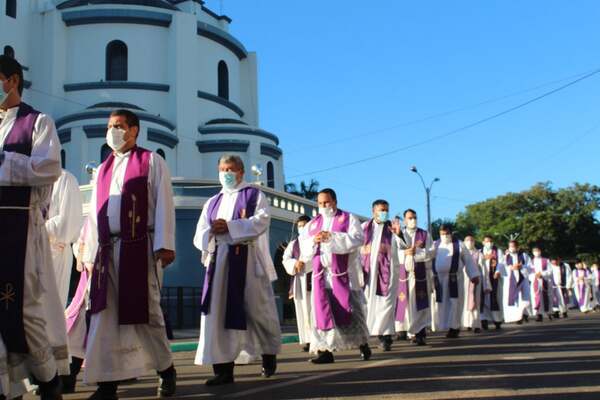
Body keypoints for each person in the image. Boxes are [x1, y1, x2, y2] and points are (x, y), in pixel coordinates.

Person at [80, 109, 177, 399]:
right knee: (103, 315)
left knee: (147, 313)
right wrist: (90, 251)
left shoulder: (151, 161)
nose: (113, 131)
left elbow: (163, 203)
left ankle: (166, 369)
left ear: (134, 130)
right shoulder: (102, 169)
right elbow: (95, 213)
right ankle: (107, 384)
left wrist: (165, 243)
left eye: (119, 126)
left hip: (138, 246)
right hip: (107, 249)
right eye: (110, 126)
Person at [0, 55, 68, 400]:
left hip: (18, 224)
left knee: (22, 306)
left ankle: (47, 378)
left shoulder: (37, 122)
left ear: (11, 80)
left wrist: (4, 161)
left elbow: (49, 167)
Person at [194, 154, 281, 385]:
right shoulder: (212, 201)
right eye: (222, 169)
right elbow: (199, 232)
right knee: (216, 313)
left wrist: (230, 226)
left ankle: (268, 353)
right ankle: (222, 370)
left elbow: (262, 221)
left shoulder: (254, 195)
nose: (226, 174)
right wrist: (212, 231)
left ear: (241, 172)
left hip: (247, 259)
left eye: (230, 169)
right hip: (218, 261)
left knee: (257, 310)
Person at [298, 188, 371, 363]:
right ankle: (325, 351)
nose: (323, 206)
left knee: (352, 311)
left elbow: (357, 239)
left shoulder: (347, 218)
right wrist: (313, 241)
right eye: (320, 203)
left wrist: (332, 237)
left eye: (327, 202)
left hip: (343, 274)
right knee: (322, 313)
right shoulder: (313, 223)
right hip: (321, 276)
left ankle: (363, 344)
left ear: (335, 202)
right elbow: (303, 246)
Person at [360, 200, 402, 351]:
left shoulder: (393, 228)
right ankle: (364, 337)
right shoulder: (364, 227)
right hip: (367, 273)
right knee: (368, 305)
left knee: (386, 305)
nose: (384, 213)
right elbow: (356, 247)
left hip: (388, 272)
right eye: (381, 210)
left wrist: (400, 234)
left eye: (386, 210)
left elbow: (406, 245)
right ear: (373, 212)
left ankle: (385, 337)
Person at [431, 226, 480, 338]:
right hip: (439, 279)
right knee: (441, 303)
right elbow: (428, 258)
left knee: (454, 303)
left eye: (447, 233)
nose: (444, 236)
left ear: (451, 233)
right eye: (442, 233)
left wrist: (473, 275)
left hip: (454, 278)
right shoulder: (435, 244)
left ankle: (454, 327)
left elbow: (468, 260)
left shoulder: (459, 244)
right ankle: (443, 326)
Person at [395, 209, 434, 345]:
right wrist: (405, 253)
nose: (413, 220)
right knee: (403, 302)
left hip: (420, 274)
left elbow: (431, 252)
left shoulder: (424, 234)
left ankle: (420, 332)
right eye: (410, 218)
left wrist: (416, 252)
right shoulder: (399, 234)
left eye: (415, 217)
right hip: (404, 274)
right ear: (405, 220)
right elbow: (395, 252)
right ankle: (403, 330)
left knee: (420, 305)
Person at [46, 169, 83, 308]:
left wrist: (37, 230)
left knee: (51, 309)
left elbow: (68, 223)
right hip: (30, 250)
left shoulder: (65, 179)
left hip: (55, 253)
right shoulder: (26, 179)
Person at [282, 215, 313, 352]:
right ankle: (306, 340)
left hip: (312, 280)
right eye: (300, 226)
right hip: (298, 281)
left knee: (313, 311)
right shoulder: (293, 243)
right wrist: (295, 263)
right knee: (301, 311)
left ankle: (316, 339)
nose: (302, 228)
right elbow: (285, 259)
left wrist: (305, 263)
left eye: (304, 225)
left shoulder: (315, 240)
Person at [462, 235, 488, 333]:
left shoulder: (479, 254)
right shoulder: (461, 254)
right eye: (467, 240)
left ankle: (476, 324)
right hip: (464, 280)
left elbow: (484, 270)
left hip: (476, 280)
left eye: (472, 240)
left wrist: (486, 284)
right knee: (464, 302)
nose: (470, 242)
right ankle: (467, 323)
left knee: (475, 302)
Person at [501, 240, 531, 324]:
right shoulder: (505, 256)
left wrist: (521, 266)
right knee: (513, 299)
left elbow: (530, 267)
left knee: (525, 298)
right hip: (510, 280)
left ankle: (523, 314)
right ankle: (517, 317)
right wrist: (510, 268)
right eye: (510, 246)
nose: (512, 248)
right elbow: (501, 266)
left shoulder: (524, 255)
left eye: (513, 246)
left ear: (517, 247)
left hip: (522, 279)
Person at [480, 236, 504, 330]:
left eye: (490, 241)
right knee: (483, 298)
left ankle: (497, 320)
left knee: (494, 297)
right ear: (483, 242)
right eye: (486, 241)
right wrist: (484, 258)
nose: (488, 243)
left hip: (493, 276)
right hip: (483, 277)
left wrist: (498, 271)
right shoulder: (479, 251)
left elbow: (501, 262)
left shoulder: (497, 251)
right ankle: (483, 319)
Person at [529, 247, 554, 322]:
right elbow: (529, 272)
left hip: (544, 280)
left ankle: (549, 313)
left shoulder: (546, 261)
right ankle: (538, 314)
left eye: (537, 251)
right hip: (535, 281)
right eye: (534, 251)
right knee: (536, 297)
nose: (536, 252)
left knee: (547, 296)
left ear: (540, 251)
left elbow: (550, 271)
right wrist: (535, 275)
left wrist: (542, 274)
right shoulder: (531, 262)